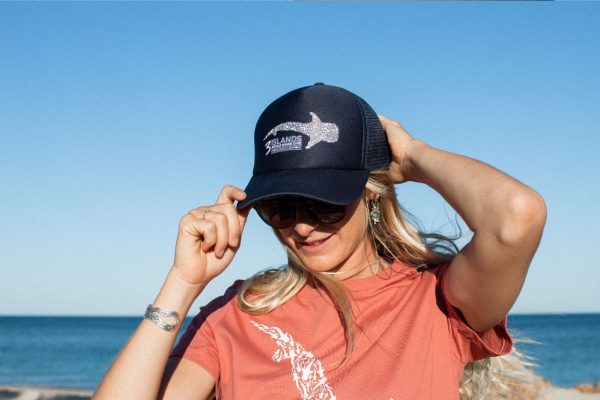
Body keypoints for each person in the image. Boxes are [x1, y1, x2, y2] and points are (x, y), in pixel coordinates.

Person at [94, 83, 547, 399]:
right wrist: (183, 281)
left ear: (370, 197)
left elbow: (517, 216)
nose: (302, 227)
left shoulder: (436, 301)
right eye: (281, 209)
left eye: (324, 204)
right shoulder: (240, 314)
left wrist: (412, 157)